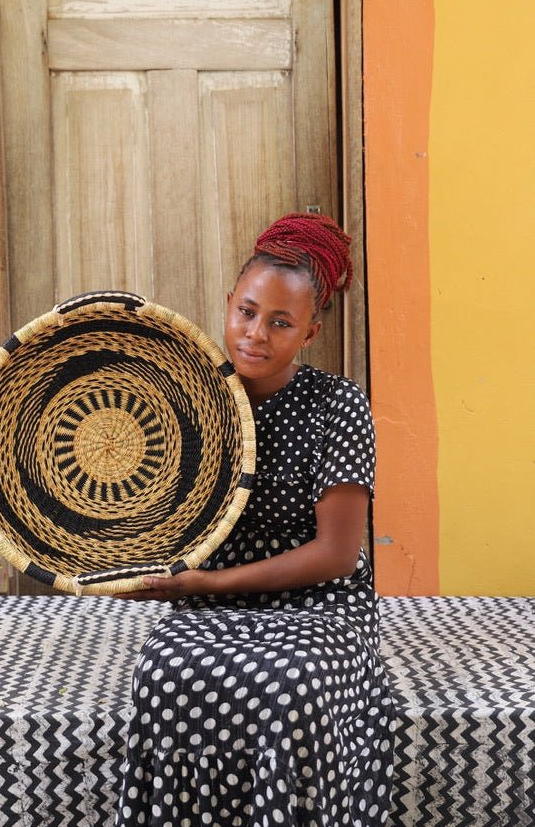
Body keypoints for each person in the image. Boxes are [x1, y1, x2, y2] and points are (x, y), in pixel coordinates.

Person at [115, 212, 395, 827]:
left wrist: (208, 584)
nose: (255, 334)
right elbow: (154, 510)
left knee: (289, 690)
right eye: (246, 312)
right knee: (165, 674)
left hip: (320, 604)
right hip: (210, 604)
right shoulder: (194, 397)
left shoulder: (339, 407)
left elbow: (337, 556)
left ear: (311, 332)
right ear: (227, 304)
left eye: (280, 322)